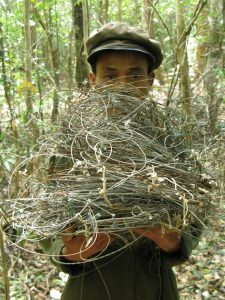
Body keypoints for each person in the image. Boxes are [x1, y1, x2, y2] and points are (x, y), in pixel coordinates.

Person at [40, 22, 200, 300]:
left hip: (156, 289)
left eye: (134, 75)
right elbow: (47, 219)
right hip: (89, 289)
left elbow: (197, 212)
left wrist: (175, 241)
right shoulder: (71, 144)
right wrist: (68, 253)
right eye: (110, 76)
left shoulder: (172, 144)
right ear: (94, 82)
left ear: (150, 80)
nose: (123, 87)